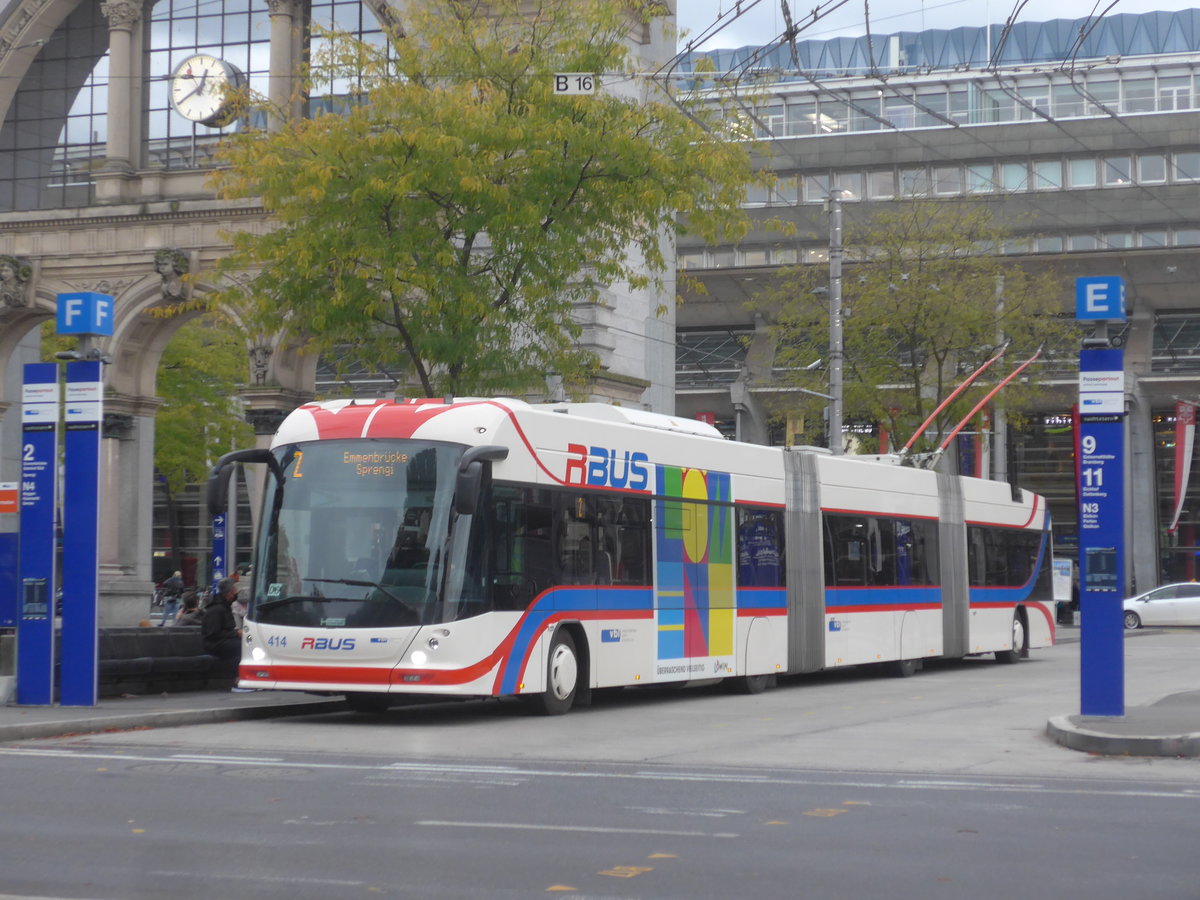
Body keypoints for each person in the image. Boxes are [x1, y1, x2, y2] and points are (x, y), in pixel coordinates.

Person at [202, 577, 242, 660]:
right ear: (229, 593)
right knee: (242, 645)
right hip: (215, 645)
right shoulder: (216, 609)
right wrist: (236, 633)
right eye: (234, 591)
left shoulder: (225, 606)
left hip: (225, 640)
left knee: (250, 639)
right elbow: (214, 633)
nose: (236, 593)